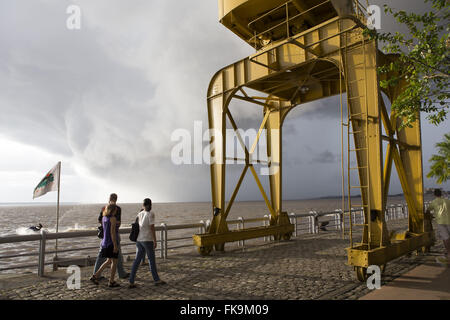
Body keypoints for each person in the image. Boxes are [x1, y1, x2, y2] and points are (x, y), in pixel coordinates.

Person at [129, 198, 166, 288]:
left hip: (139, 240)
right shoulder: (151, 214)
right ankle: (156, 280)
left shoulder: (140, 214)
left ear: (143, 205)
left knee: (137, 260)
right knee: (151, 260)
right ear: (151, 204)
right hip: (147, 240)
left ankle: (131, 281)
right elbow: (152, 228)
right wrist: (155, 240)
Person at [93, 193, 129, 279]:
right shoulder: (117, 209)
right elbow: (118, 223)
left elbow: (100, 220)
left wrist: (106, 225)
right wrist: (111, 224)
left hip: (105, 235)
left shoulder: (104, 208)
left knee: (104, 255)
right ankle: (119, 274)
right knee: (115, 254)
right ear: (116, 199)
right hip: (113, 235)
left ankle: (97, 274)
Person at [90, 204, 120, 287]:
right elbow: (112, 233)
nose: (116, 211)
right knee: (114, 261)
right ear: (112, 210)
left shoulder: (104, 218)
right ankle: (111, 281)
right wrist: (115, 246)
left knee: (108, 261)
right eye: (115, 210)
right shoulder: (113, 219)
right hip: (111, 243)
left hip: (104, 242)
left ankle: (95, 276)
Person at [426, 189, 450, 266]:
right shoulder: (447, 201)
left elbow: (428, 210)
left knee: (445, 238)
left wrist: (433, 215)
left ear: (434, 195)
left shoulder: (434, 202)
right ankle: (448, 252)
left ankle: (449, 253)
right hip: (449, 220)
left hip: (440, 222)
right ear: (441, 194)